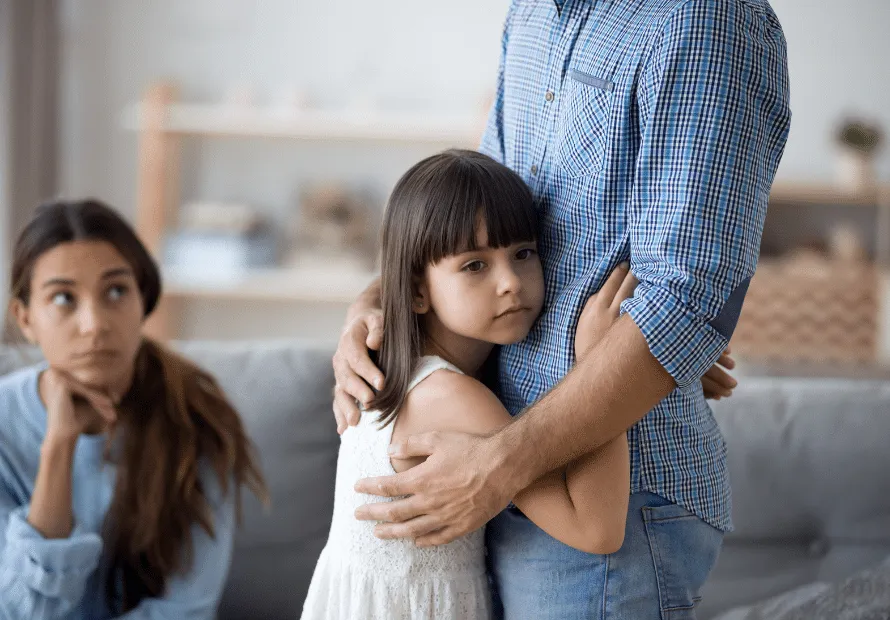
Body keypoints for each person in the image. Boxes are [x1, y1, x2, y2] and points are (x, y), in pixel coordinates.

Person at [333, 1, 791, 618]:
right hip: (505, 477)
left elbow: (686, 298)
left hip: (608, 497)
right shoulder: (531, 17)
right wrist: (371, 307)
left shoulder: (702, 18)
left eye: (520, 261)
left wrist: (499, 463)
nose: (510, 284)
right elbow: (477, 217)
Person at [302, 149, 635, 620]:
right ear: (418, 291)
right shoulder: (452, 396)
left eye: (523, 254)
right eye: (474, 266)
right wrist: (604, 363)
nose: (510, 283)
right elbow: (597, 530)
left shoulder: (405, 361)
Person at [0, 199, 267, 619]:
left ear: (143, 301)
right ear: (26, 319)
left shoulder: (196, 417)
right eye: (64, 298)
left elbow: (185, 611)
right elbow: (21, 610)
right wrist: (59, 446)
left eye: (116, 291)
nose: (94, 324)